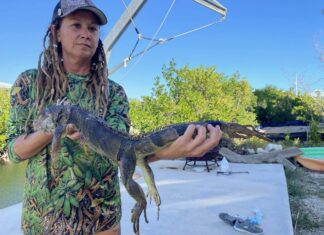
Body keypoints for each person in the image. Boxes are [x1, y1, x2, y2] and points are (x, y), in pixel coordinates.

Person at [6, 0, 222, 234]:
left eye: (92, 29)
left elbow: (122, 153)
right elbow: (15, 153)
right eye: (76, 25)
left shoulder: (114, 92)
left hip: (102, 220)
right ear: (56, 32)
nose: (85, 34)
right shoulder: (29, 82)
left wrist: (169, 152)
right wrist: (56, 126)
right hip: (42, 221)